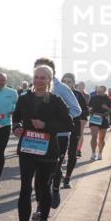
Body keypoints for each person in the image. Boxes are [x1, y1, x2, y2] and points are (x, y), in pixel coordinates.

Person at [11, 65, 74, 221]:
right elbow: (16, 116)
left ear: (49, 80)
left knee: (43, 188)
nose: (39, 81)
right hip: (28, 149)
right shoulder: (24, 99)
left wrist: (46, 125)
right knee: (24, 188)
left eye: (43, 78)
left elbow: (68, 125)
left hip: (48, 151)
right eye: (36, 77)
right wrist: (17, 127)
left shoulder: (56, 100)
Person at [33, 57, 81, 210]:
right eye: (37, 70)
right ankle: (40, 205)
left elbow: (76, 110)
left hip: (59, 137)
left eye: (45, 70)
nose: (41, 74)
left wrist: (56, 123)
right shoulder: (34, 88)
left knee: (54, 169)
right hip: (39, 137)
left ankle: (55, 189)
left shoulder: (61, 89)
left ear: (53, 72)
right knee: (39, 172)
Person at [60, 72, 87, 188]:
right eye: (64, 81)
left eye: (69, 82)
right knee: (58, 154)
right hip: (58, 128)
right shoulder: (56, 93)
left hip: (74, 128)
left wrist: (80, 124)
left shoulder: (77, 95)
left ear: (73, 84)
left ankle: (67, 178)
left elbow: (84, 111)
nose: (66, 84)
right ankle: (58, 173)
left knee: (72, 154)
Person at [88, 85, 111, 160]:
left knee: (101, 139)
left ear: (104, 92)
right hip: (94, 118)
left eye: (100, 91)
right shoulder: (93, 98)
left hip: (103, 118)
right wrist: (90, 109)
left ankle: (100, 153)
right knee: (94, 136)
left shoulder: (108, 99)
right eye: (98, 91)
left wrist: (107, 108)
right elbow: (88, 107)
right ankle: (93, 153)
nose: (98, 92)